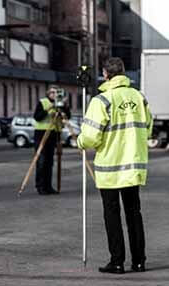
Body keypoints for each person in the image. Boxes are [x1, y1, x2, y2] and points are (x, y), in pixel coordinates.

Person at [77, 57, 152, 274]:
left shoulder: (102, 101)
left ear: (105, 74)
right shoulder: (139, 98)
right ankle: (139, 261)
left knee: (112, 214)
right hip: (133, 167)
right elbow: (147, 128)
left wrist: (80, 141)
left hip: (110, 168)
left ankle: (117, 262)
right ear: (124, 72)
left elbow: (90, 138)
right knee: (134, 212)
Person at [33, 86, 71, 195]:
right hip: (42, 133)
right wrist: (50, 108)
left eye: (57, 93)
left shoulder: (59, 104)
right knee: (41, 161)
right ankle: (40, 186)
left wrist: (65, 106)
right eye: (53, 93)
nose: (55, 95)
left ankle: (48, 186)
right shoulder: (43, 102)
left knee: (49, 162)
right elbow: (37, 117)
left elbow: (67, 117)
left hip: (54, 134)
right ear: (48, 93)